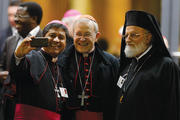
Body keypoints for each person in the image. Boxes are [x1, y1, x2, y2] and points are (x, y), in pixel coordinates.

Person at [115, 10, 180, 120]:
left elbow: (172, 107)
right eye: (126, 36)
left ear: (148, 37)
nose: (128, 40)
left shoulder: (165, 66)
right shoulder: (128, 64)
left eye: (134, 35)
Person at [60, 15, 119, 120]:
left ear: (96, 36)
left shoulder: (111, 62)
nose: (82, 39)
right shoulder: (62, 61)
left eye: (87, 34)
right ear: (72, 35)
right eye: (78, 34)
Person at [9, 20, 70, 120]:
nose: (56, 40)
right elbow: (17, 72)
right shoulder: (31, 58)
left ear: (66, 43)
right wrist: (19, 55)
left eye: (61, 37)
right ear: (43, 37)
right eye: (52, 35)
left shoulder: (61, 67)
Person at [0, 2, 43, 120]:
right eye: (15, 16)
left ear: (34, 18)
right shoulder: (10, 41)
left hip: (34, 105)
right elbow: (2, 65)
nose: (15, 20)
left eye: (20, 16)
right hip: (10, 103)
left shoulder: (45, 40)